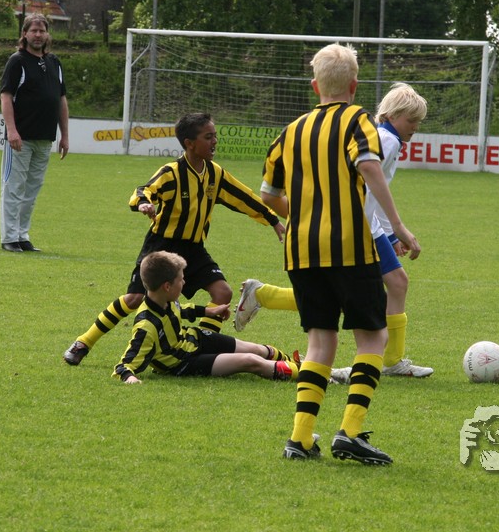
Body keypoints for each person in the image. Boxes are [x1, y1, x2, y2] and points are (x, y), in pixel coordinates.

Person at [262, 43, 421, 465]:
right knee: (372, 337)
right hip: (350, 247)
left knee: (320, 341)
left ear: (315, 86)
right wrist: (399, 226)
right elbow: (368, 165)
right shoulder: (357, 120)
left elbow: (268, 195)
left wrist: (304, 215)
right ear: (354, 85)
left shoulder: (290, 131)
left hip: (301, 249)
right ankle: (349, 433)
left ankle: (300, 438)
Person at [234, 82, 434, 383]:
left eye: (419, 121)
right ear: (392, 115)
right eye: (412, 120)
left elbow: (372, 194)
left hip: (367, 224)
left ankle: (391, 360)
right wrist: (395, 230)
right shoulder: (386, 141)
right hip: (357, 227)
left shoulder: (386, 138)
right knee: (355, 293)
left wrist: (390, 235)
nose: (416, 127)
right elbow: (370, 187)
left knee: (396, 283)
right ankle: (263, 295)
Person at [64, 112, 286, 365]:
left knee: (222, 292)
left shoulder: (215, 174)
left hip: (194, 248)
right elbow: (144, 190)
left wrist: (272, 219)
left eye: (215, 136)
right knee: (135, 299)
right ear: (189, 143)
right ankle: (84, 342)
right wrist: (144, 204)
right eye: (208, 137)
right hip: (162, 247)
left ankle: (201, 347)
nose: (215, 141)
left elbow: (243, 197)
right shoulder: (171, 173)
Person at [114, 251, 300, 383]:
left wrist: (208, 311)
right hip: (184, 363)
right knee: (249, 361)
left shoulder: (165, 299)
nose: (184, 282)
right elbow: (124, 365)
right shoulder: (146, 326)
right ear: (167, 286)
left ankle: (295, 362)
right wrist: (130, 378)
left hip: (195, 339)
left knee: (257, 349)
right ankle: (306, 373)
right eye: (181, 279)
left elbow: (182, 310)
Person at [0, 13, 70, 252]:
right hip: (21, 138)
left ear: (47, 34)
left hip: (45, 138)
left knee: (31, 190)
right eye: (33, 30)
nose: (38, 35)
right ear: (25, 34)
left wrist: (65, 135)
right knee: (14, 187)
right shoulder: (17, 61)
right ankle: (9, 238)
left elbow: (61, 99)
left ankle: (22, 235)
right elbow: (6, 96)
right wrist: (12, 131)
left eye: (42, 31)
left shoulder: (54, 63)